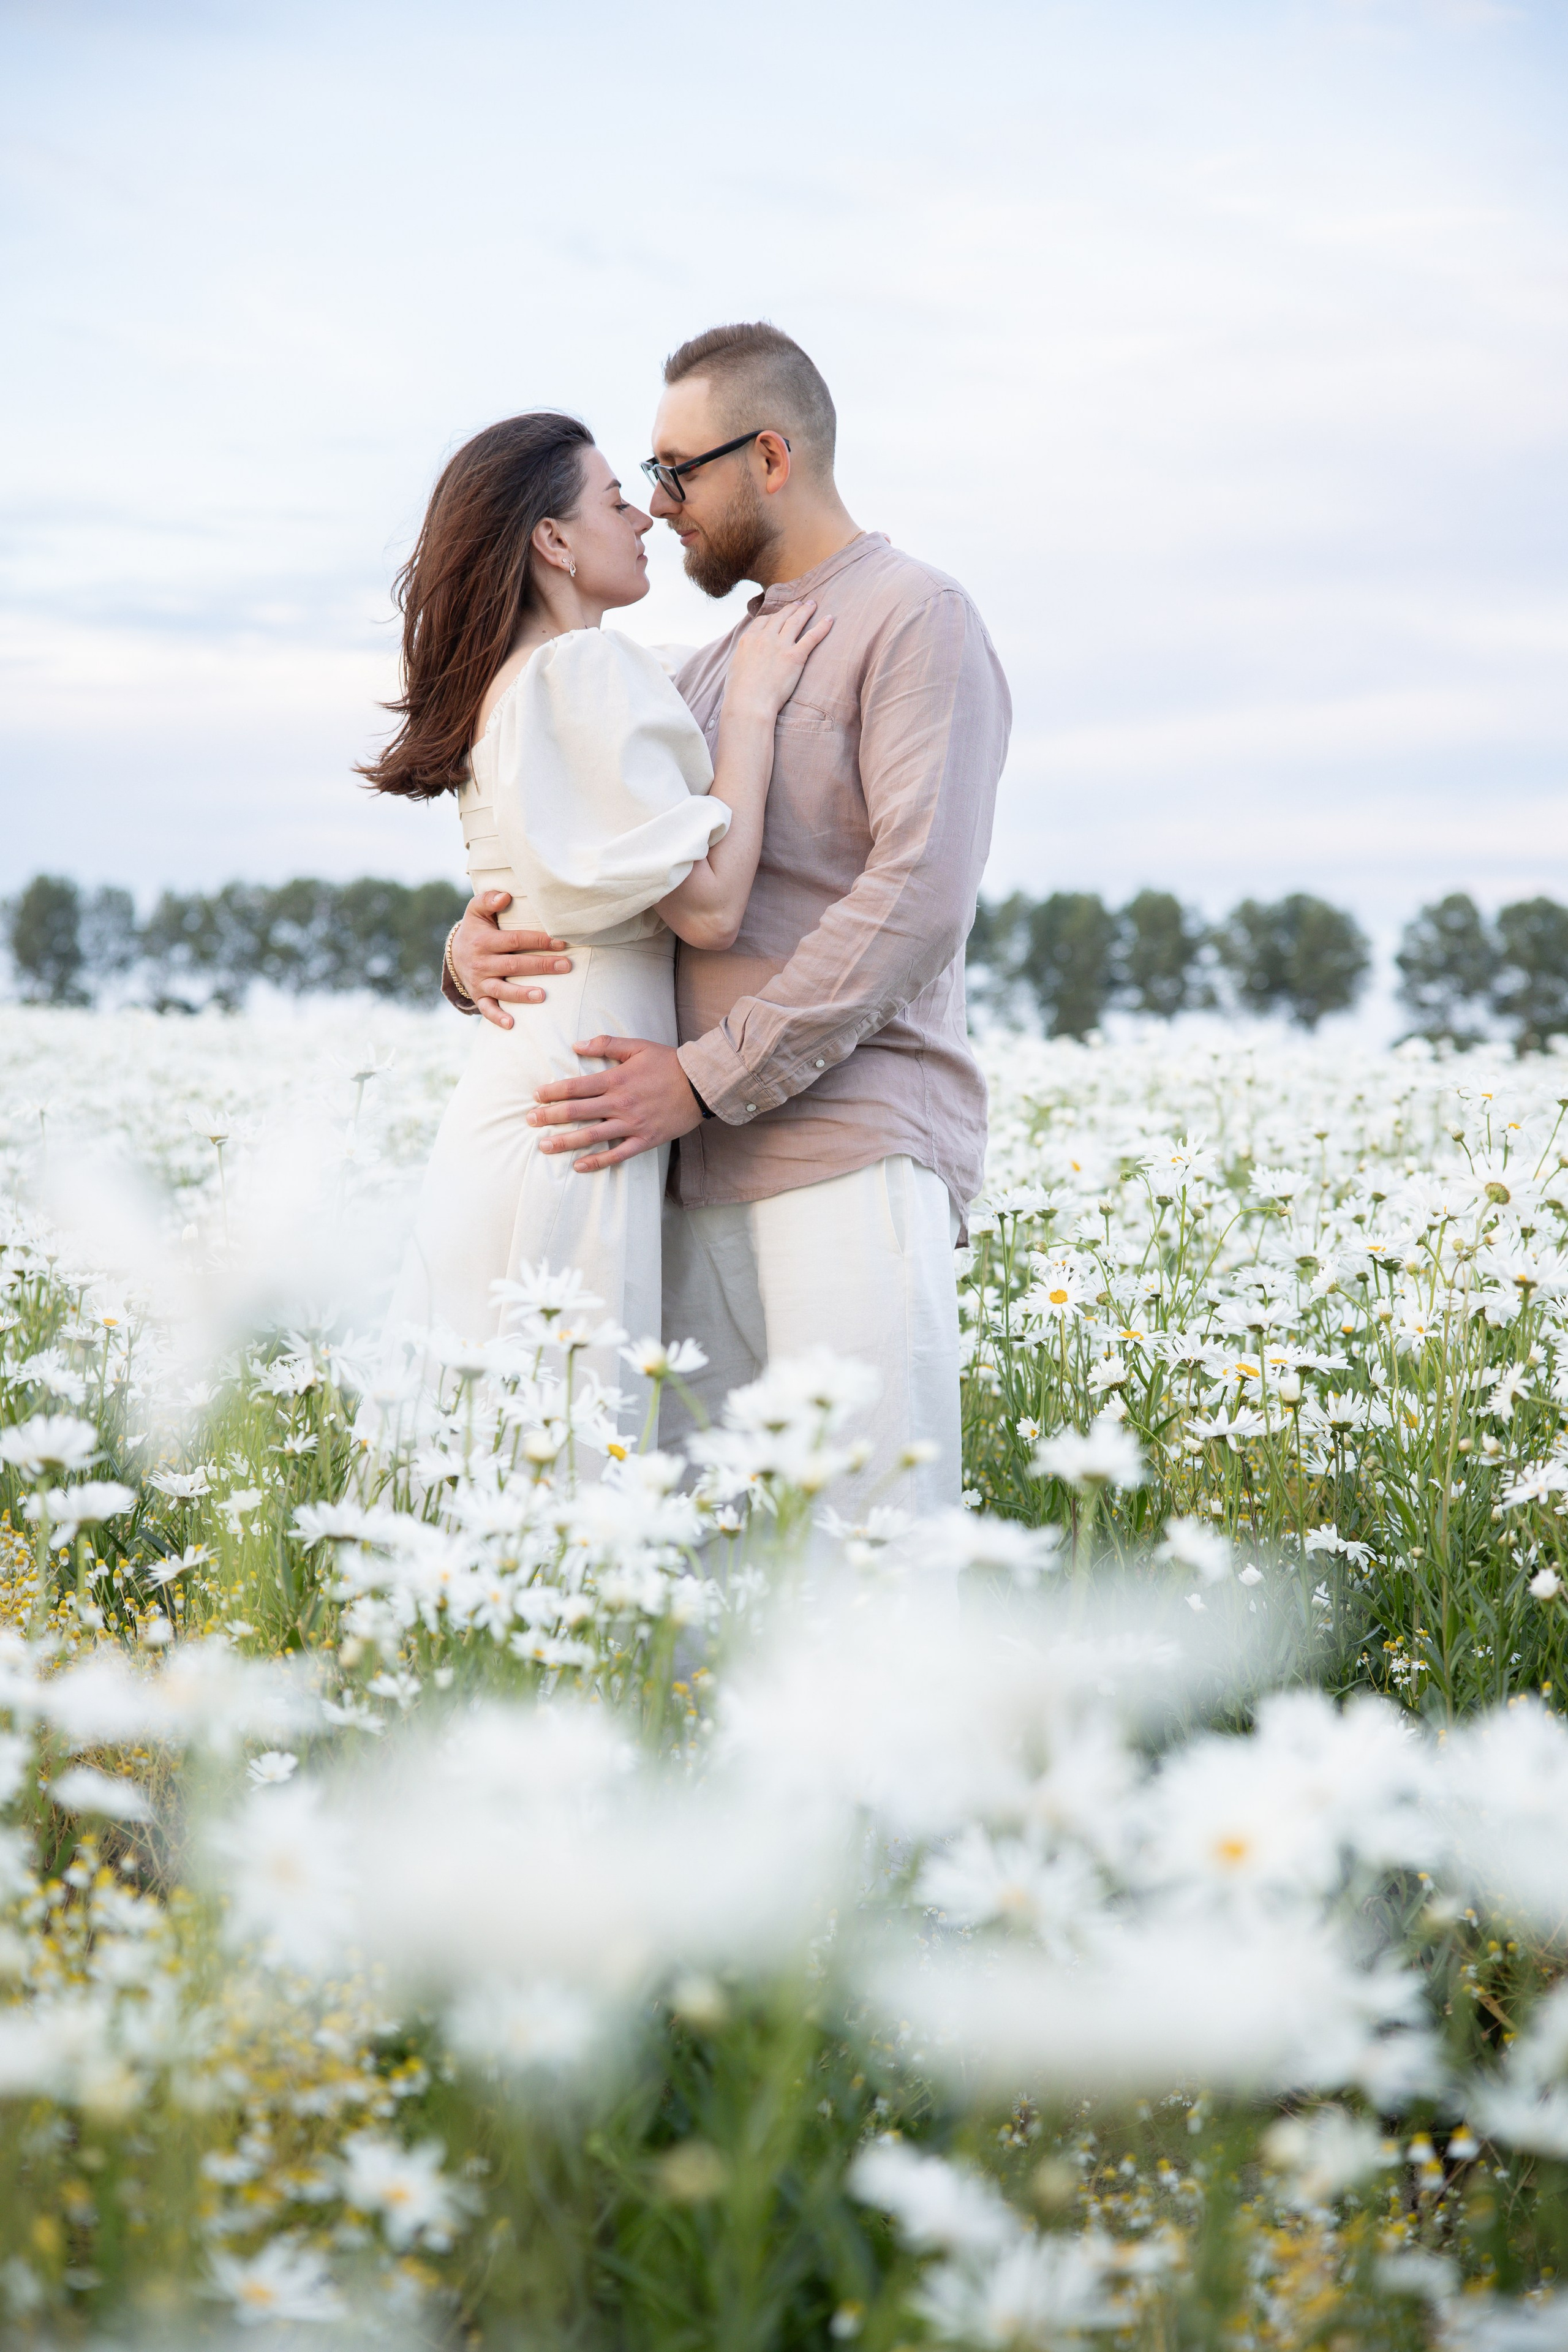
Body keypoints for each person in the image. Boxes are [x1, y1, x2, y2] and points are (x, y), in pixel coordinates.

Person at [443, 325, 1012, 1512]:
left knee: (867, 1536)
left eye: (675, 471)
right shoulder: (706, 670)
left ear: (768, 457)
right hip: (678, 1171)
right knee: (698, 1567)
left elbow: (917, 900)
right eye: (642, 479)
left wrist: (705, 1079)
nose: (658, 506)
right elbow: (604, 850)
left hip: (840, 1149)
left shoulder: (917, 617)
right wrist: (470, 943)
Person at [360, 409, 829, 1431]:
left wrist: (460, 951)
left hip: (538, 1079)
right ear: (554, 541)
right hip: (582, 1097)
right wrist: (752, 712)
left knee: (489, 1427)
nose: (646, 518)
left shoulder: (520, 679)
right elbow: (711, 908)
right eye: (616, 501)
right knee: (564, 1421)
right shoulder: (583, 670)